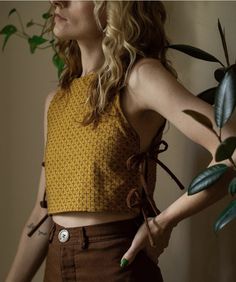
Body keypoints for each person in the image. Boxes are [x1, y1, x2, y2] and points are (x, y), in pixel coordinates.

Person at [5, 1, 236, 281]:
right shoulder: (56, 101)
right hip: (54, 265)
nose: (58, 1)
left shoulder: (140, 78)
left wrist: (164, 222)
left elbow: (231, 148)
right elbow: (40, 214)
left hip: (115, 263)